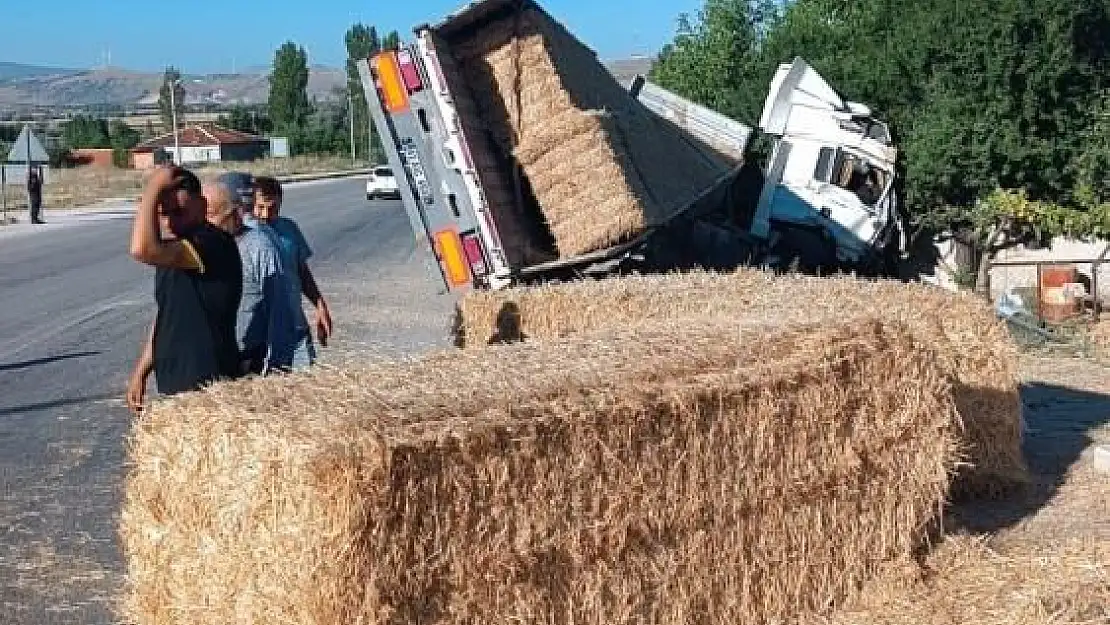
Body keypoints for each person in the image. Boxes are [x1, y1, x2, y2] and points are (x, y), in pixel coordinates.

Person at [125, 166, 243, 415]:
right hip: (177, 384)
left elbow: (141, 249)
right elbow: (167, 315)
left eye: (178, 213)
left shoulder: (211, 243)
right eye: (163, 214)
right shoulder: (176, 250)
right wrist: (141, 371)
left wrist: (153, 188)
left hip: (209, 385)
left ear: (201, 205)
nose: (169, 223)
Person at [204, 174, 297, 376]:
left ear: (234, 211)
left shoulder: (258, 245)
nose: (206, 221)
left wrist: (279, 364)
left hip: (248, 358)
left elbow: (280, 307)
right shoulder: (212, 244)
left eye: (211, 213)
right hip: (218, 356)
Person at [252, 175, 334, 370]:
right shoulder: (245, 235)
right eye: (260, 207)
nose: (265, 214)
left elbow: (301, 272)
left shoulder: (289, 229)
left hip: (295, 327)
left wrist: (320, 306)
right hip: (261, 335)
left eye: (272, 209)